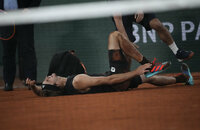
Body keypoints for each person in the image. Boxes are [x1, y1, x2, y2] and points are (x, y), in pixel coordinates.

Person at [26, 31, 193, 97]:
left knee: (147, 78)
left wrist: (34, 86)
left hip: (118, 83)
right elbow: (109, 81)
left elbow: (43, 93)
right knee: (115, 36)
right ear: (55, 85)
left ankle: (183, 79)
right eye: (48, 79)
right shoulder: (76, 81)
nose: (47, 76)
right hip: (116, 81)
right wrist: (136, 71)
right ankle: (147, 63)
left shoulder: (61, 87)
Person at [111, 1, 194, 62]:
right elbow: (118, 19)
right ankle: (127, 74)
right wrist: (126, 41)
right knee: (125, 42)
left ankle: (177, 52)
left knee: (156, 24)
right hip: (123, 13)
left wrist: (140, 8)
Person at [0, 0, 41, 91]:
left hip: (24, 18)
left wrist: (30, 9)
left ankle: (31, 82)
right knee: (7, 52)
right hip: (5, 19)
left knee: (27, 50)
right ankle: (8, 83)